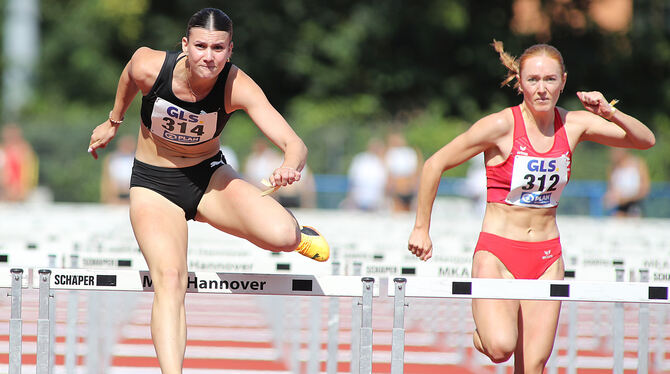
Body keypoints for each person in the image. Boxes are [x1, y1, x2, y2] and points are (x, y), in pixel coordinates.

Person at [87, 8, 330, 373]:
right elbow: (127, 78)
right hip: (155, 184)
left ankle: (297, 235)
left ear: (230, 50)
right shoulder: (149, 66)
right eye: (200, 46)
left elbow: (295, 144)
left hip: (209, 180)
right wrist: (113, 120)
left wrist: (289, 167)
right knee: (170, 279)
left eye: (218, 48)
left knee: (281, 235)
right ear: (185, 45)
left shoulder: (236, 85)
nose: (208, 56)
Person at [407, 40, 654, 373]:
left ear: (563, 81)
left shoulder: (574, 124)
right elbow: (434, 164)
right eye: (534, 80)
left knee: (533, 365)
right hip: (497, 252)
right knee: (500, 347)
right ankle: (484, 333)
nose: (542, 89)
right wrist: (422, 227)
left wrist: (610, 112)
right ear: (520, 82)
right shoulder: (500, 126)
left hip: (546, 256)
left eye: (550, 80)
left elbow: (644, 140)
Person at [604, 148, 650, 217]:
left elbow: (644, 190)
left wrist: (625, 199)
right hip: (619, 208)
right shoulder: (613, 168)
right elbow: (610, 189)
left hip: (635, 206)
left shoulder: (638, 164)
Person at [345, 137, 388, 211]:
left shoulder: (383, 161)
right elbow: (352, 181)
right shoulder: (360, 159)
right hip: (358, 199)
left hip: (377, 201)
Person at [0, 123, 38, 202]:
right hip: (5, 192)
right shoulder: (3, 150)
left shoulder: (25, 150)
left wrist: (24, 188)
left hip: (20, 192)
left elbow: (30, 172)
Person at [385, 132, 421, 212]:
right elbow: (389, 174)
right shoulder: (391, 153)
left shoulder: (410, 152)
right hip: (397, 189)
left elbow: (415, 172)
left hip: (408, 188)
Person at [100, 134, 136, 204]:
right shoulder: (112, 159)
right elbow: (106, 179)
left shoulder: (137, 158)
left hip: (132, 194)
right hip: (116, 195)